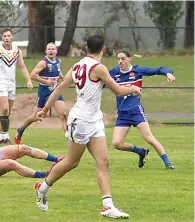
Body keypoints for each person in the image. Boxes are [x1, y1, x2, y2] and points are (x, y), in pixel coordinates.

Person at [34, 35, 142, 219]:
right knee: (71, 162)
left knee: (104, 161)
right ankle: (42, 188)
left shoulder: (77, 65)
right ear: (103, 49)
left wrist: (45, 108)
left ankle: (107, 206)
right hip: (81, 120)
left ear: (86, 48)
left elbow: (59, 89)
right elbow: (118, 90)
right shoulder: (98, 68)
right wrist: (134, 88)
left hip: (94, 119)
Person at [109, 49, 176, 169]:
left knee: (149, 138)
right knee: (116, 143)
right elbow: (99, 80)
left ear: (130, 58)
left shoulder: (137, 70)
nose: (120, 61)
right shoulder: (114, 73)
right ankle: (141, 152)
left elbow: (158, 69)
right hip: (122, 113)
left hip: (135, 111)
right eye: (118, 59)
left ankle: (167, 163)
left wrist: (168, 73)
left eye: (123, 58)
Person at [0, 28, 34, 145]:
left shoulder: (17, 51)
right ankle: (5, 136)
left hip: (11, 83)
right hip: (0, 82)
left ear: (12, 37)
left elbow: (22, 66)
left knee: (7, 112)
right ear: (2, 38)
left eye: (8, 36)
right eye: (4, 36)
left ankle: (0, 136)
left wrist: (28, 80)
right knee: (4, 108)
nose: (6, 38)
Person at [14, 42, 67, 145]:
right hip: (44, 92)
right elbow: (33, 75)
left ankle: (70, 139)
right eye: (49, 49)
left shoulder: (58, 61)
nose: (51, 51)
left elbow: (58, 71)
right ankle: (20, 129)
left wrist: (63, 78)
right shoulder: (43, 63)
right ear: (46, 51)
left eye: (53, 49)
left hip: (55, 91)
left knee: (63, 115)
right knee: (35, 117)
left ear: (56, 51)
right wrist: (46, 82)